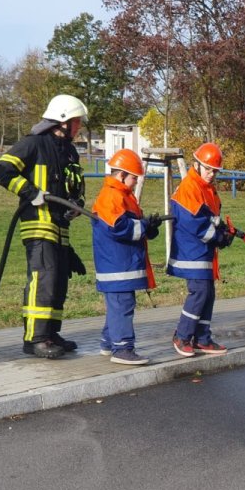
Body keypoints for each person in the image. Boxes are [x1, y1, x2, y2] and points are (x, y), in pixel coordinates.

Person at [0, 94, 88, 359]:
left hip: (61, 225)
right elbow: (1, 171)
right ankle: (35, 338)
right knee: (44, 279)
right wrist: (30, 191)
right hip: (38, 223)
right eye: (77, 121)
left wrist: (76, 203)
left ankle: (51, 333)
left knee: (58, 281)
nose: (79, 127)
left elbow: (74, 183)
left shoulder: (69, 150)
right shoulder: (33, 144)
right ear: (63, 121)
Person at [91, 149, 161, 366]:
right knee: (122, 304)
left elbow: (132, 225)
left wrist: (149, 227)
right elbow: (119, 228)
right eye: (133, 178)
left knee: (118, 305)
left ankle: (108, 342)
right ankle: (122, 349)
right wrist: (144, 225)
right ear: (121, 175)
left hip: (120, 263)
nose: (135, 183)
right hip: (117, 265)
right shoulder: (112, 195)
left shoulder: (121, 195)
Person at [167, 142, 234, 357]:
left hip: (203, 253)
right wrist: (218, 238)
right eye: (207, 168)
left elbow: (210, 219)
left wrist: (223, 230)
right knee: (200, 292)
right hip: (191, 252)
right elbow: (195, 224)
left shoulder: (208, 189)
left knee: (208, 294)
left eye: (214, 170)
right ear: (195, 164)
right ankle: (182, 336)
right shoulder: (190, 188)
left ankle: (202, 338)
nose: (211, 174)